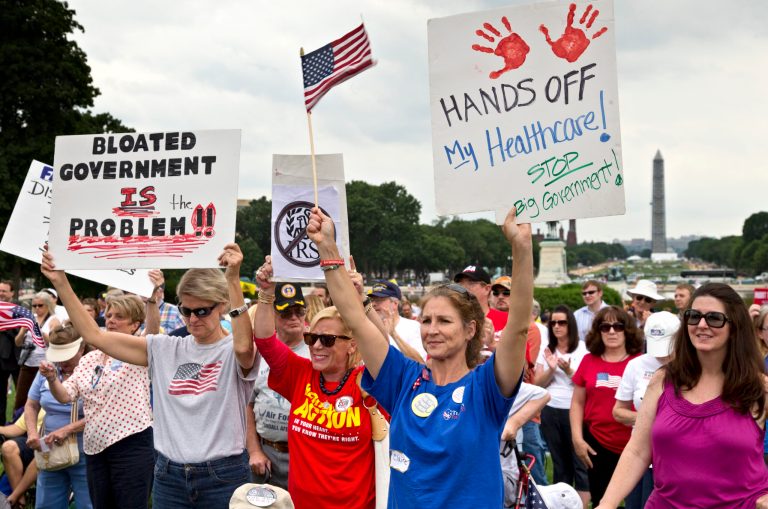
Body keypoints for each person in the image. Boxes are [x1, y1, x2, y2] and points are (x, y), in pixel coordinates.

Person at [307, 206, 531, 508]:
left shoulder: (487, 387)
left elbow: (517, 328)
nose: (432, 330)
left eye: (444, 321)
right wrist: (327, 248)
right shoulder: (403, 379)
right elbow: (355, 319)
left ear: (470, 330)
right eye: (426, 321)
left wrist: (521, 248)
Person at [41, 243, 257, 509]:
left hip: (223, 474)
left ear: (222, 306)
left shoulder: (231, 348)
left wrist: (233, 279)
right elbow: (95, 336)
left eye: (202, 311)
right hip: (170, 474)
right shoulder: (167, 347)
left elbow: (246, 348)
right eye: (185, 311)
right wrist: (60, 281)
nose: (193, 319)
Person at [597, 283, 768, 508]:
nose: (702, 325)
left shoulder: (758, 388)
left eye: (714, 318)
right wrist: (606, 504)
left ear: (734, 326)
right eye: (694, 316)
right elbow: (638, 451)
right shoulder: (662, 381)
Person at [251, 258, 379, 509]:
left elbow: (383, 350)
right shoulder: (301, 374)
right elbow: (265, 340)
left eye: (328, 339)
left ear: (352, 344)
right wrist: (266, 292)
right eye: (312, 338)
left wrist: (362, 301)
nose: (317, 346)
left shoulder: (368, 381)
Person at [40, 293, 155, 509]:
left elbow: (154, 331)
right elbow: (65, 395)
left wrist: (151, 301)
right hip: (95, 448)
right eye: (108, 314)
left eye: (119, 316)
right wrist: (52, 378)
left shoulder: (140, 351)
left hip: (131, 444)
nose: (110, 320)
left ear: (135, 325)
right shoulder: (89, 358)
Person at [570, 305, 643, 505]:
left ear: (627, 330)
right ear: (598, 331)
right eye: (605, 327)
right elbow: (577, 403)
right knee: (602, 501)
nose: (612, 331)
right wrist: (577, 439)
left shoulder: (641, 362)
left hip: (637, 444)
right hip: (598, 443)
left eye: (618, 326)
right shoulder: (588, 361)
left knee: (638, 502)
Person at [246, 282, 311, 490]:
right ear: (273, 315)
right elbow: (247, 404)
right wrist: (254, 450)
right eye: (286, 312)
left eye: (299, 311)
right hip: (267, 453)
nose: (294, 317)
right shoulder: (257, 354)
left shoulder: (318, 350)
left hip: (305, 453)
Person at [612, 311, 679, 509]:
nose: (659, 354)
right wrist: (649, 419)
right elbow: (618, 411)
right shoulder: (636, 365)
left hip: (672, 458)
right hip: (639, 454)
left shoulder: (690, 366)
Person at [24, 323, 91, 508]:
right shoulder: (48, 370)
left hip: (85, 450)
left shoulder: (94, 371)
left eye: (67, 356)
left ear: (82, 348)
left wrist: (69, 429)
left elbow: (103, 413)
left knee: (88, 504)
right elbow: (31, 404)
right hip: (49, 447)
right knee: (47, 503)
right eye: (59, 356)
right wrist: (32, 433)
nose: (63, 362)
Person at [534, 305, 590, 508]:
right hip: (551, 408)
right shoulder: (546, 349)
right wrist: (551, 369)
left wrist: (568, 371)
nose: (557, 326)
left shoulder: (583, 349)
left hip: (575, 410)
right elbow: (538, 384)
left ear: (571, 325)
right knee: (559, 463)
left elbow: (586, 384)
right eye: (553, 322)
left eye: (562, 322)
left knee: (580, 463)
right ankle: (562, 504)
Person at [14, 292, 60, 412]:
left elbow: (55, 343)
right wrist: (23, 331)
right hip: (27, 363)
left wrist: (41, 333)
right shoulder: (29, 319)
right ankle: (17, 424)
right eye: (34, 305)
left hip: (45, 365)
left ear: (48, 305)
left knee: (41, 399)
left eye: (40, 305)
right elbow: (17, 343)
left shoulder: (53, 320)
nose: (37, 308)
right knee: (20, 398)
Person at [368, 280, 426, 362]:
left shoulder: (412, 327)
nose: (374, 304)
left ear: (395, 303)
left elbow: (420, 363)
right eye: (372, 300)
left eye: (379, 299)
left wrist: (394, 334)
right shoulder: (369, 329)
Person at [454, 265, 508, 331]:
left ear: (487, 289)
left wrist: (492, 341)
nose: (464, 288)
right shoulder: (453, 320)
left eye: (471, 283)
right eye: (460, 284)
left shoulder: (507, 320)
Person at [0, 280, 21, 421]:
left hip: (17, 358)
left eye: (4, 291)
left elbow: (22, 332)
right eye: (0, 291)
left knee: (21, 395)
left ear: (12, 293)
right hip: (0, 359)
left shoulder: (19, 309)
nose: (1, 294)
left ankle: (19, 425)